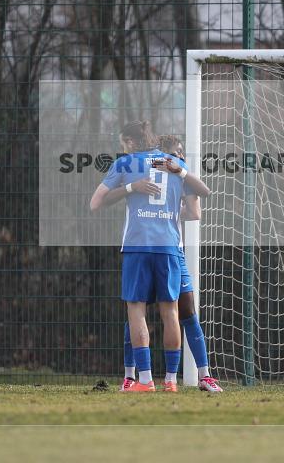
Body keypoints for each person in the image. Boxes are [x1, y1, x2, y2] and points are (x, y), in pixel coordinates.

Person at [116, 135, 222, 393]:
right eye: (178, 151)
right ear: (164, 154)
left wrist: (172, 210)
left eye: (182, 152)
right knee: (136, 312)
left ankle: (203, 375)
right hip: (155, 248)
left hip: (172, 253)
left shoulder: (180, 175)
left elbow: (195, 212)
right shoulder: (159, 171)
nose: (181, 156)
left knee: (186, 312)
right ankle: (131, 375)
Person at [90, 121, 190, 392]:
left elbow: (96, 202)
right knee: (171, 312)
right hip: (170, 246)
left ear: (131, 143)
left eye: (123, 144)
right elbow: (193, 207)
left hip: (138, 245)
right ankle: (171, 381)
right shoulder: (173, 163)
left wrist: (132, 188)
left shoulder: (126, 164)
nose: (123, 149)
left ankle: (144, 380)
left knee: (137, 310)